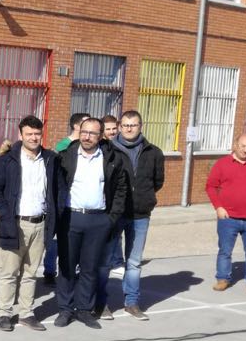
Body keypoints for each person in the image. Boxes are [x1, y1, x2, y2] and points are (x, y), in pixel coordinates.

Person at [0, 116, 60, 333]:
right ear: (21, 135)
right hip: (15, 223)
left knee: (30, 272)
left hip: (40, 223)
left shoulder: (49, 159)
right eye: (29, 134)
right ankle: (4, 313)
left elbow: (56, 190)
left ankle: (27, 313)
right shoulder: (8, 160)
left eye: (37, 134)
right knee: (10, 272)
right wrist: (4, 212)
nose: (34, 137)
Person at [54, 118, 128, 329]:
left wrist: (110, 218)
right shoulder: (66, 156)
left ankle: (84, 310)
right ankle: (65, 310)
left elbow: (121, 189)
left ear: (101, 135)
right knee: (67, 266)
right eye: (84, 132)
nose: (87, 137)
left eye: (92, 133)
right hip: (71, 217)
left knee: (90, 267)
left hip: (98, 220)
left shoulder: (112, 157)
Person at [94, 110, 164, 320]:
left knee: (133, 262)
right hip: (114, 214)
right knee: (105, 260)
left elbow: (157, 181)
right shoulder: (107, 150)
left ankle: (131, 302)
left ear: (140, 126)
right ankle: (100, 303)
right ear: (119, 126)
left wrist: (145, 198)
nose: (129, 129)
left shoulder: (153, 152)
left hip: (140, 214)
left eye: (133, 125)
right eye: (125, 125)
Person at [46, 112, 91, 286]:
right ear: (76, 126)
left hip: (80, 203)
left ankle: (74, 269)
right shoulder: (64, 146)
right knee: (56, 239)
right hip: (63, 200)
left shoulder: (87, 146)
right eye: (85, 125)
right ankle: (49, 270)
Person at [205, 133, 246, 291]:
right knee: (225, 250)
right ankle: (223, 278)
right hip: (228, 217)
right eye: (243, 146)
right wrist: (218, 206)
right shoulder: (222, 164)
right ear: (235, 145)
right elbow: (210, 186)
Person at [102, 113, 126, 275]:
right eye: (108, 129)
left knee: (117, 232)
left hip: (119, 198)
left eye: (113, 128)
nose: (111, 132)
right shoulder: (100, 148)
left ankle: (117, 261)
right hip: (103, 198)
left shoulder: (122, 147)